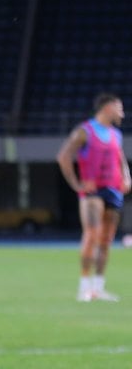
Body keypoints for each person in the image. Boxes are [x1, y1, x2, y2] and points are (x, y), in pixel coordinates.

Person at [56, 92, 130, 302]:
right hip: (92, 191)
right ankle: (84, 287)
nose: (122, 113)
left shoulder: (116, 134)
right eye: (119, 108)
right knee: (92, 235)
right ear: (107, 108)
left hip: (113, 189)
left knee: (106, 240)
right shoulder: (84, 131)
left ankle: (99, 287)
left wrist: (126, 176)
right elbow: (63, 157)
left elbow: (119, 156)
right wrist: (76, 184)